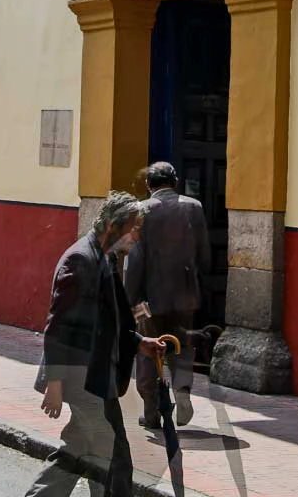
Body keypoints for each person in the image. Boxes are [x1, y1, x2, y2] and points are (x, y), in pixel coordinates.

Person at [26, 191, 169, 497]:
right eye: (134, 228)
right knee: (113, 455)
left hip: (94, 374)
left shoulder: (106, 257)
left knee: (78, 449)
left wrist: (139, 342)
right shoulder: (82, 259)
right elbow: (58, 327)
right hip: (80, 375)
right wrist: (54, 382)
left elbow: (110, 320)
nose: (137, 236)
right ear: (112, 226)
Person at [124, 162, 210, 428]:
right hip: (185, 295)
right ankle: (182, 394)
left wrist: (130, 299)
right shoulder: (194, 207)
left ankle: (151, 412)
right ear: (175, 181)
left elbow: (134, 260)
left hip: (150, 299)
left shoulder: (141, 210)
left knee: (148, 350)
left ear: (149, 185)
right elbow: (204, 254)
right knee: (182, 346)